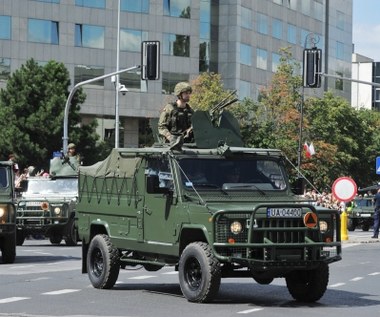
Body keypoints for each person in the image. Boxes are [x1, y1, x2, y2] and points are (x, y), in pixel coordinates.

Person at [158, 82, 194, 150]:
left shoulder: (190, 111)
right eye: (186, 93)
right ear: (179, 94)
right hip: (171, 145)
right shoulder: (170, 108)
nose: (188, 95)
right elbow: (161, 126)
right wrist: (170, 137)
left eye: (189, 93)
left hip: (187, 145)